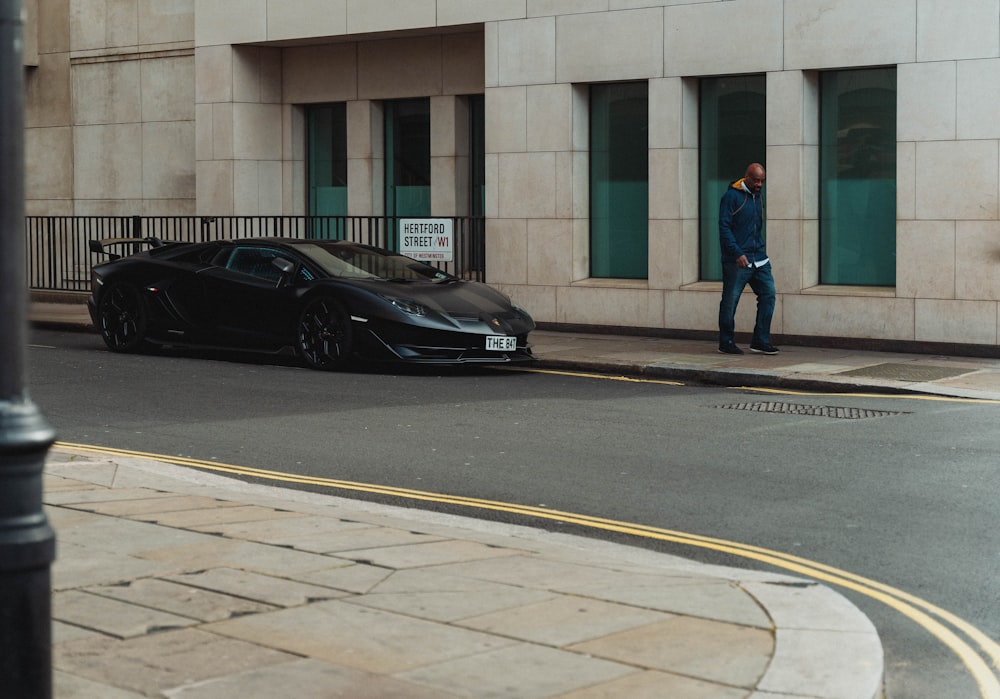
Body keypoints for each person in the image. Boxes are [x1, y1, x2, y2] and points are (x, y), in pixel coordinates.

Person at [717, 162, 778, 355]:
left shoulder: (758, 197)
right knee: (730, 300)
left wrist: (760, 250)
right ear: (747, 177)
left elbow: (756, 227)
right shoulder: (731, 197)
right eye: (756, 180)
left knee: (769, 295)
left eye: (762, 181)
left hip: (759, 258)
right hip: (737, 260)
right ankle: (726, 342)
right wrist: (737, 253)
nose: (760, 184)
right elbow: (724, 228)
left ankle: (760, 341)